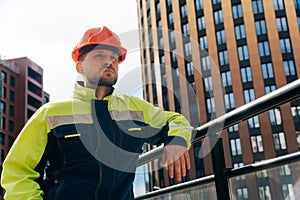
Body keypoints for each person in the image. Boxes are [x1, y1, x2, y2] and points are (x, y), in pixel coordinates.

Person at [1, 26, 192, 199]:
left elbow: (175, 120)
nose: (108, 62)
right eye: (99, 55)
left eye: (113, 58)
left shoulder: (135, 109)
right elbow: (18, 172)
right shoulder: (51, 114)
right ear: (80, 66)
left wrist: (177, 139)